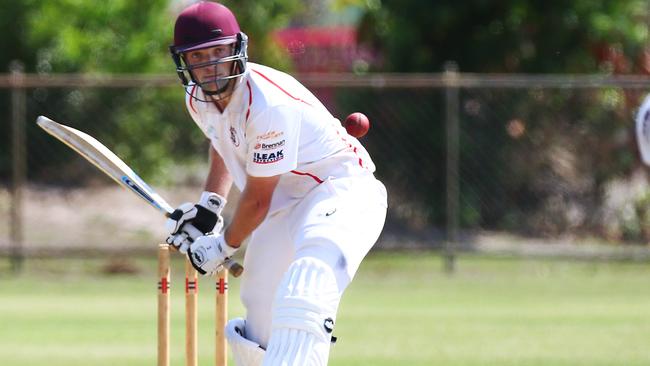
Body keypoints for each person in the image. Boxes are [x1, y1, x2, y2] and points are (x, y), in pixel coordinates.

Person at [165, 2, 387, 365]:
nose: (210, 65)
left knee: (308, 283)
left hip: (341, 189)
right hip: (285, 205)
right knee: (261, 313)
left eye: (218, 52)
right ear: (184, 61)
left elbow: (256, 202)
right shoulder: (197, 99)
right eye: (199, 56)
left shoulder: (268, 103)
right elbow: (224, 141)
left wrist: (222, 245)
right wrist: (209, 207)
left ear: (237, 48)